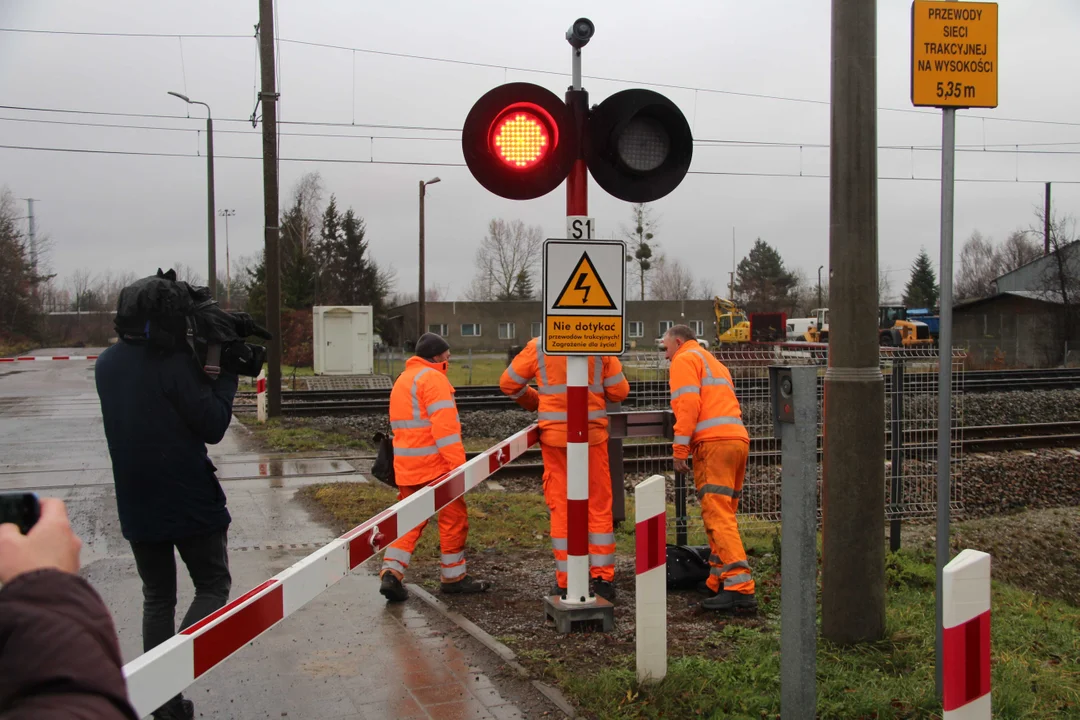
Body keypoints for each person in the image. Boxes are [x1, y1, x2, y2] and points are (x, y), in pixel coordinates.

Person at [95, 287, 237, 720]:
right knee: (213, 586)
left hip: (137, 501)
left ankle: (163, 703)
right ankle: (171, 675)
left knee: (157, 597)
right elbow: (212, 426)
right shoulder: (174, 365)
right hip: (190, 499)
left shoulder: (106, 365)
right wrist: (225, 372)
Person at [500, 338, 629, 600]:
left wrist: (534, 400)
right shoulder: (599, 342)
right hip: (591, 437)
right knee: (598, 506)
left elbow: (509, 383)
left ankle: (566, 581)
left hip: (555, 438)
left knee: (561, 505)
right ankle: (602, 578)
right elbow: (619, 391)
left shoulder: (540, 345)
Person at [0, 498, 139, 719]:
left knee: (158, 597)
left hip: (141, 523)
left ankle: (170, 689)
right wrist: (44, 584)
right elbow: (75, 704)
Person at [379, 333, 490, 601]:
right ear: (435, 356)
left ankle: (391, 573)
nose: (449, 358)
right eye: (446, 354)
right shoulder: (434, 380)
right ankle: (454, 578)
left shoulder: (403, 380)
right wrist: (459, 469)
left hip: (406, 467)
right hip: (436, 468)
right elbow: (446, 430)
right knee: (453, 520)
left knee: (408, 522)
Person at [663, 324, 756, 612]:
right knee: (724, 513)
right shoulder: (713, 361)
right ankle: (717, 579)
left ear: (678, 342)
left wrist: (680, 449)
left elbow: (687, 404)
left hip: (713, 445)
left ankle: (740, 589)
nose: (665, 356)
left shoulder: (683, 360)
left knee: (717, 514)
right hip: (736, 440)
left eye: (665, 348)